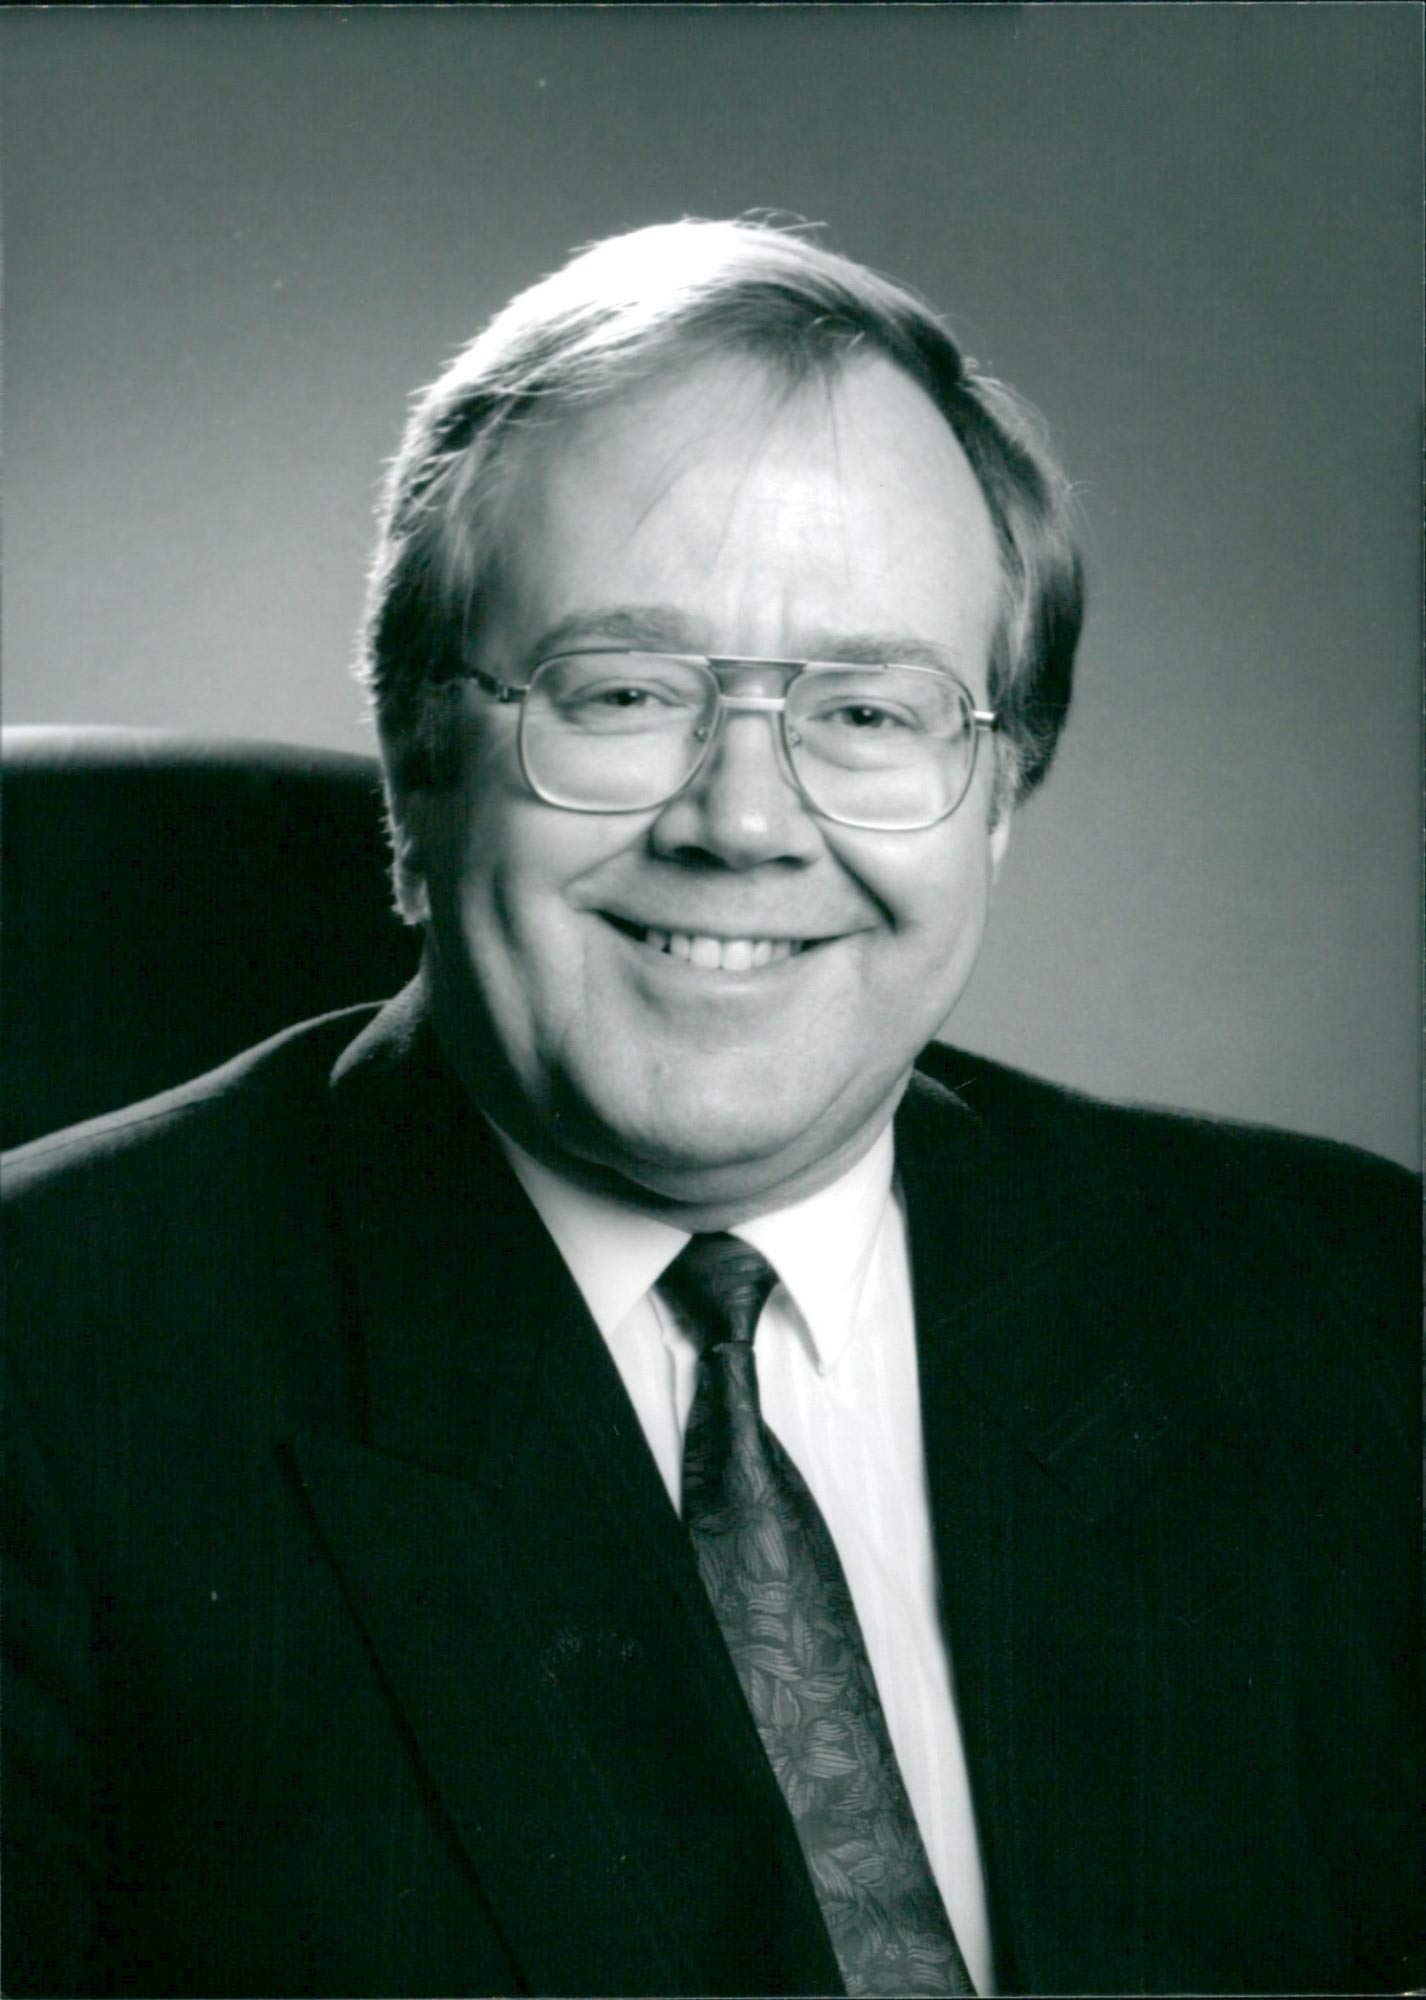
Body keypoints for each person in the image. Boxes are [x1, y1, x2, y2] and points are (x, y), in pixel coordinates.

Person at [3, 220, 1419, 2000]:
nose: (743, 821)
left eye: (868, 710)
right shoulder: (48, 1376)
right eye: (622, 692)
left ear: (995, 796)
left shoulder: (1348, 1305)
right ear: (420, 760)